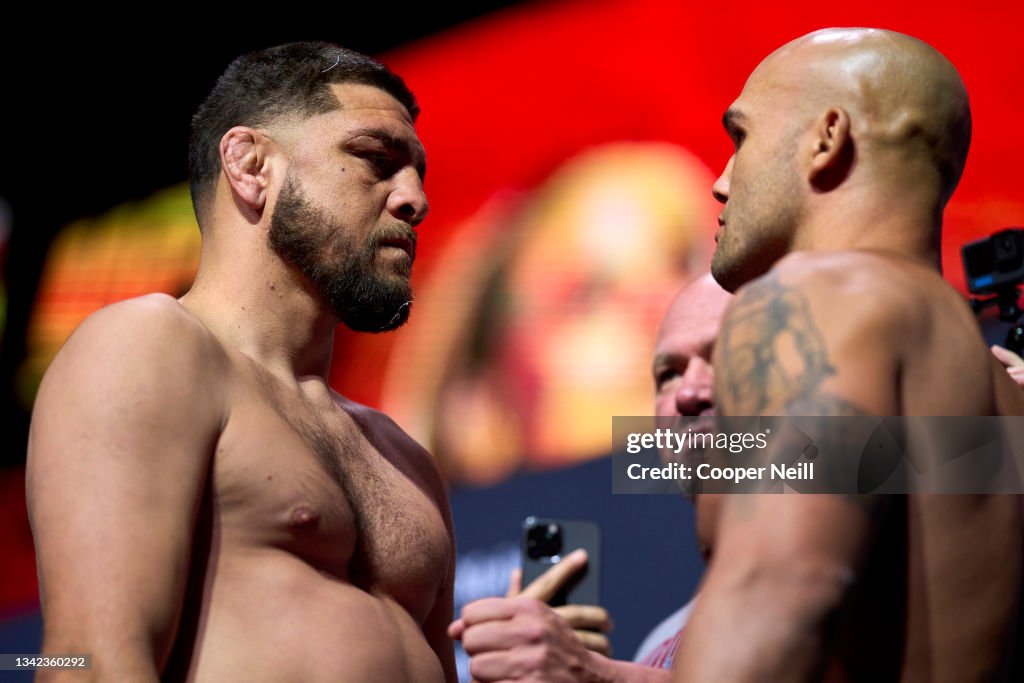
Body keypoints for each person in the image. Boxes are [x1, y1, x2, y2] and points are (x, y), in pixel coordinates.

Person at [27, 43, 456, 682]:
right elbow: (85, 661)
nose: (415, 200)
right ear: (251, 165)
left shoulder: (406, 458)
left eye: (418, 172)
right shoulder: (148, 347)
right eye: (376, 160)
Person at [673, 28, 1024, 680]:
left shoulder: (817, 296)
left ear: (827, 138)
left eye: (740, 138)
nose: (721, 182)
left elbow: (773, 599)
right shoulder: (1005, 391)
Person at [448, 274, 732, 682]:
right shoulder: (660, 642)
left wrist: (600, 676)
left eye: (723, 356)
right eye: (669, 373)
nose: (688, 392)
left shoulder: (847, 556)